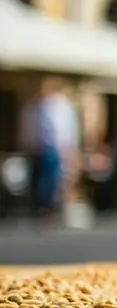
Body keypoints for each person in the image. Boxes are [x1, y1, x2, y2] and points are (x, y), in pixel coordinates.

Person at [22, 78, 79, 227]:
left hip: (53, 148)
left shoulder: (57, 106)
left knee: (50, 180)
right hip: (45, 148)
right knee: (45, 180)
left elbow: (64, 131)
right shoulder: (41, 106)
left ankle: (48, 209)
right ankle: (45, 209)